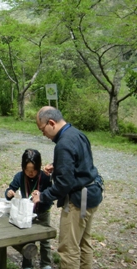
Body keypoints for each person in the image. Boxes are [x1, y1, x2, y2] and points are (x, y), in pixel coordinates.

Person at [33, 106, 104, 269]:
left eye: (42, 130)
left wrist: (42, 196)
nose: (43, 135)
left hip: (79, 201)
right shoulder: (77, 134)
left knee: (68, 249)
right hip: (92, 193)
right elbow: (81, 164)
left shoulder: (63, 144)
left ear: (51, 123)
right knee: (84, 243)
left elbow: (64, 184)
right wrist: (57, 166)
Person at [5, 149, 53, 269]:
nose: (31, 173)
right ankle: (27, 265)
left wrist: (42, 194)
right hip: (27, 214)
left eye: (34, 170)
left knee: (45, 240)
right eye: (27, 170)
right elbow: (10, 189)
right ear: (23, 168)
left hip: (43, 212)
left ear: (39, 166)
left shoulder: (45, 177)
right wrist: (9, 193)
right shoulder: (20, 176)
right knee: (28, 241)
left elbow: (52, 194)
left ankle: (46, 264)